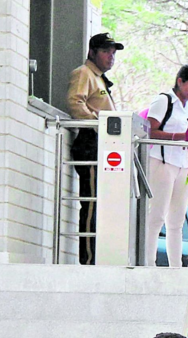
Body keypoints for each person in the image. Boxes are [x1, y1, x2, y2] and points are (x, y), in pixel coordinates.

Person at [66, 33, 123, 265]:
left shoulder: (99, 79)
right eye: (106, 51)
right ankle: (88, 259)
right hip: (90, 141)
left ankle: (97, 255)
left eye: (113, 53)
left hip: (104, 144)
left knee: (101, 202)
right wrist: (96, 123)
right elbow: (75, 101)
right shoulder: (84, 73)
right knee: (91, 202)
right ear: (92, 52)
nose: (111, 57)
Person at [144, 64, 188, 268]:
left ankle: (176, 267)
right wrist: (181, 137)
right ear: (180, 81)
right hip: (162, 162)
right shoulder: (164, 100)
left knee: (177, 220)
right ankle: (149, 263)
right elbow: (150, 131)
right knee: (157, 215)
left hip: (184, 165)